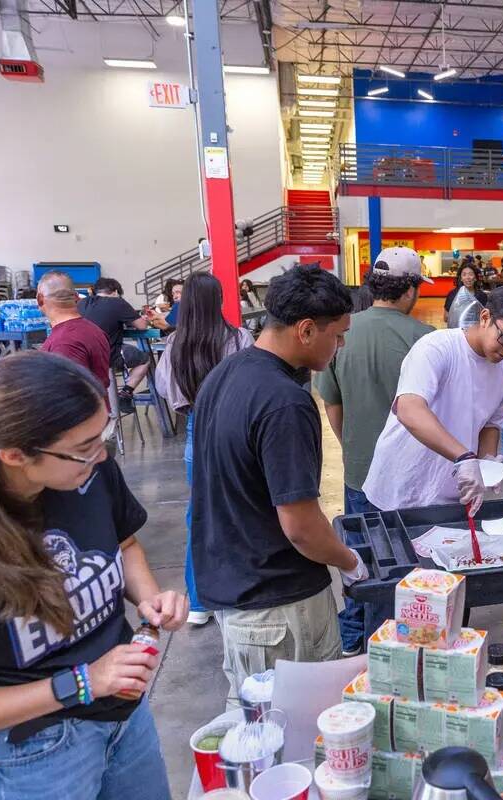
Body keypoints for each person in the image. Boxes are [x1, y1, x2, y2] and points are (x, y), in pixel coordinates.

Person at [0, 351, 188, 799]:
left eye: (103, 436)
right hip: (28, 750)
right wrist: (82, 682)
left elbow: (125, 544)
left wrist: (148, 596)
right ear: (14, 454)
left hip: (123, 716)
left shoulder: (87, 470)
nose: (100, 455)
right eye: (83, 448)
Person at [190, 264, 366, 695]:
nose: (340, 346)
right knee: (300, 730)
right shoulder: (284, 403)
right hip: (281, 608)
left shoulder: (224, 374)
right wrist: (349, 561)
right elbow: (301, 527)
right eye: (337, 335)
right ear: (306, 330)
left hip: (238, 592)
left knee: (260, 731)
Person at [314, 248, 433, 654]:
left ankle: (351, 638)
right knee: (407, 565)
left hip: (358, 471)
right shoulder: (425, 341)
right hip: (410, 478)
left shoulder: (341, 332)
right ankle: (397, 646)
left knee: (359, 559)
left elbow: (331, 402)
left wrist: (353, 444)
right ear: (411, 290)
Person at [363, 285, 503, 516]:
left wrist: (486, 461)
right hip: (400, 490)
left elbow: (490, 424)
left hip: (449, 497)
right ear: (485, 317)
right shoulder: (438, 347)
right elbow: (409, 409)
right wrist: (464, 457)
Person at [154, 273, 254, 628]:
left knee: (199, 514)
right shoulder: (239, 339)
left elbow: (166, 389)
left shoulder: (176, 343)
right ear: (218, 300)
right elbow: (252, 384)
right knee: (244, 510)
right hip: (235, 432)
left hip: (197, 430)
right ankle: (239, 594)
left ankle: (198, 602)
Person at [77, 278, 150, 409]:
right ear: (116, 292)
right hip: (108, 357)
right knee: (145, 359)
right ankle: (125, 393)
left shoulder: (82, 303)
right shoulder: (117, 302)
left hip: (82, 358)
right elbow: (142, 326)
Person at [37, 271, 111, 395]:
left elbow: (68, 398)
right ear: (76, 297)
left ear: (40, 299)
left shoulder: (64, 342)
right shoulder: (94, 330)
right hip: (99, 410)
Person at [445, 264, 489, 329]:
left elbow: (486, 317)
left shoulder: (482, 296)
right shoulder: (453, 295)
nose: (467, 277)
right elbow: (446, 318)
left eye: (471, 274)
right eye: (464, 275)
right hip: (457, 331)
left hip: (476, 333)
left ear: (475, 278)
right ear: (461, 278)